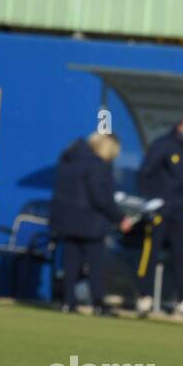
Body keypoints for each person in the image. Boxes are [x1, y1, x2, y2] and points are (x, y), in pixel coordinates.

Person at [50, 132, 133, 315]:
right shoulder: (98, 165)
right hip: (89, 221)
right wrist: (120, 218)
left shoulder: (69, 159)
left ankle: (67, 301)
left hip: (67, 218)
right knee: (96, 263)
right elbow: (100, 197)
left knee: (70, 262)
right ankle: (98, 303)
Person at [135, 112, 183, 317]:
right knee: (151, 252)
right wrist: (149, 201)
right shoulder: (164, 145)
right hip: (160, 207)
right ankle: (145, 296)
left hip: (181, 209)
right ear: (180, 127)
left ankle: (182, 299)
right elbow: (144, 173)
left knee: (180, 256)